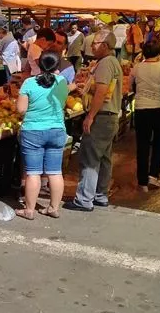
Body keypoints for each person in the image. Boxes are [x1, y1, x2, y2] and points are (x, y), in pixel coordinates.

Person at [65, 31, 122, 211]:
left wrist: (90, 116)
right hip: (109, 116)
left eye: (95, 43)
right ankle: (100, 195)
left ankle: (84, 199)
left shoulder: (105, 63)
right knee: (103, 158)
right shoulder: (112, 62)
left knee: (90, 157)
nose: (91, 46)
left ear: (105, 45)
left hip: (102, 116)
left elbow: (102, 92)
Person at [15, 51, 69, 219]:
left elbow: (21, 109)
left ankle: (29, 210)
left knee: (33, 172)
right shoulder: (62, 82)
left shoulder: (29, 83)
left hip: (33, 131)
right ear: (57, 66)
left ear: (39, 64)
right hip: (56, 130)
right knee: (55, 172)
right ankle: (53, 208)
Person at [130, 39, 160, 191]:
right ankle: (153, 176)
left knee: (142, 144)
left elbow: (131, 86)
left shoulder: (137, 67)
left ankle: (142, 181)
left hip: (141, 109)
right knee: (158, 143)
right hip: (159, 109)